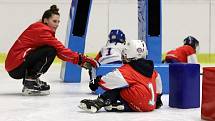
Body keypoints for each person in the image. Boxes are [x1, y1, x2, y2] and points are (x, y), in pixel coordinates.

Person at [5, 5, 98, 96]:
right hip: (16, 67)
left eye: (58, 22)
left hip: (15, 65)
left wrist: (79, 61)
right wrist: (82, 59)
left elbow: (61, 53)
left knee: (51, 50)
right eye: (54, 21)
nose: (57, 24)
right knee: (50, 50)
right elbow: (60, 50)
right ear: (45, 20)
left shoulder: (40, 28)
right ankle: (30, 81)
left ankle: (31, 79)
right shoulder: (42, 31)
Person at [79, 39, 163, 113]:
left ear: (130, 53)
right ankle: (122, 106)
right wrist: (158, 100)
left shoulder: (128, 69)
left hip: (139, 102)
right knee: (132, 88)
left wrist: (97, 81)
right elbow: (158, 88)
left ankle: (99, 102)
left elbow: (108, 82)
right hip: (150, 106)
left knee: (118, 87)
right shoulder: (154, 71)